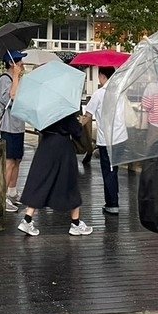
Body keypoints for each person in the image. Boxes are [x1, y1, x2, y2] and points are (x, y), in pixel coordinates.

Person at [17, 111, 93, 237]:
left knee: (41, 181)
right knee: (70, 183)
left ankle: (27, 219)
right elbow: (77, 132)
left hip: (45, 145)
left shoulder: (44, 110)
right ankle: (75, 223)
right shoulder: (65, 110)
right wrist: (80, 122)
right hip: (62, 147)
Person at [82, 66, 127, 214]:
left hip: (107, 139)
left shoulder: (99, 94)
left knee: (108, 171)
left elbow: (87, 115)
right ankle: (113, 200)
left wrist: (74, 127)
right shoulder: (120, 91)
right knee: (114, 170)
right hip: (121, 137)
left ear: (102, 76)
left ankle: (112, 204)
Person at [0, 50, 27, 211]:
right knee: (9, 161)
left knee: (17, 160)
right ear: (11, 63)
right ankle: (2, 196)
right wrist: (15, 76)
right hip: (8, 126)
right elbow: (11, 97)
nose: (22, 64)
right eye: (19, 61)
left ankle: (12, 192)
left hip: (18, 125)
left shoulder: (18, 79)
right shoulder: (5, 79)